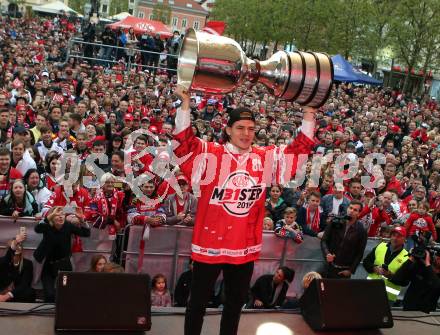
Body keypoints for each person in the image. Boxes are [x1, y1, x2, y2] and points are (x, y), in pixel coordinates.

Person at [173, 87, 316, 335]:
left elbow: (297, 152)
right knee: (196, 303)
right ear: (228, 130)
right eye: (240, 128)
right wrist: (185, 104)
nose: (246, 133)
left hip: (243, 246)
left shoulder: (264, 157)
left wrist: (309, 116)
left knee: (235, 304)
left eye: (251, 129)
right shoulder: (211, 154)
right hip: (210, 243)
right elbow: (183, 143)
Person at [34, 206, 91, 302]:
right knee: (49, 295)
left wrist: (82, 220)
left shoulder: (68, 226)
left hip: (63, 263)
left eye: (62, 215)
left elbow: (86, 233)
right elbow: (37, 229)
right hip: (47, 263)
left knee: (65, 292)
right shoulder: (47, 226)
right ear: (52, 217)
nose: (61, 217)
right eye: (57, 215)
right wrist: (49, 216)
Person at [320, 200, 368, 279]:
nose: (351, 211)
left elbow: (359, 253)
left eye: (355, 210)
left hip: (344, 270)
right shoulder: (335, 221)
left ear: (359, 213)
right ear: (347, 208)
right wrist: (327, 253)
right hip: (329, 266)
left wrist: (351, 270)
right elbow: (324, 240)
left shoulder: (361, 230)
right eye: (350, 208)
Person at [363, 226, 409, 302]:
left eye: (399, 236)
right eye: (393, 235)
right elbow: (366, 262)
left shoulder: (406, 257)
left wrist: (389, 275)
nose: (395, 238)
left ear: (404, 239)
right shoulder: (380, 246)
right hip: (370, 290)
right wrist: (374, 268)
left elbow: (405, 282)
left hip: (388, 298)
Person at [389, 248, 440, 313]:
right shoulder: (420, 266)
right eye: (437, 257)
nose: (437, 260)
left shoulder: (427, 267)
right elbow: (396, 279)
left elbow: (436, 286)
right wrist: (410, 260)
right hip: (409, 308)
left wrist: (427, 264)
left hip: (428, 311)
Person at [0, 233, 35, 303]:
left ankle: (8, 299)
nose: (17, 248)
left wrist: (8, 295)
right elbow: (6, 259)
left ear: (22, 249)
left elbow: (24, 284)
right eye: (15, 246)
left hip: (16, 293)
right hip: (2, 290)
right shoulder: (2, 261)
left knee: (30, 292)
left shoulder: (27, 263)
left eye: (19, 246)